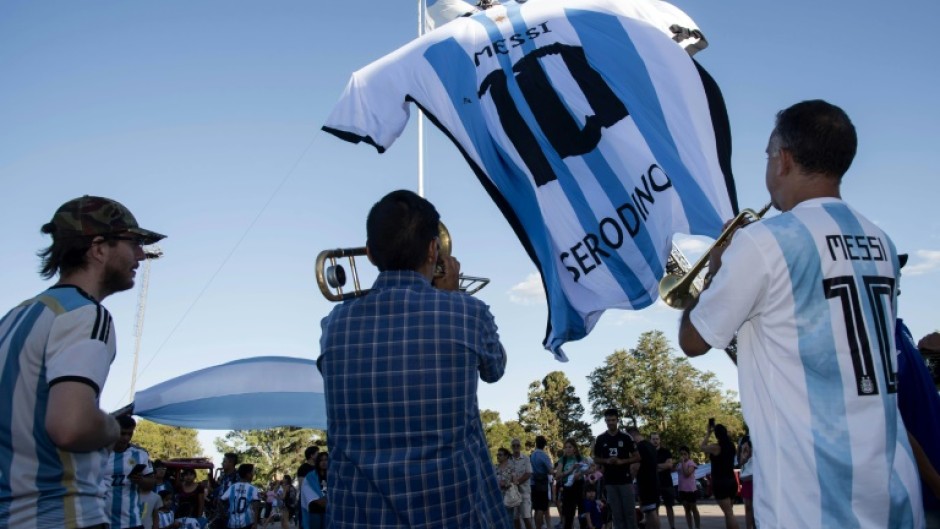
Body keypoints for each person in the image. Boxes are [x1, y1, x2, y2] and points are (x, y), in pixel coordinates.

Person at [678, 99, 923, 528]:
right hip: (891, 480)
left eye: (769, 156)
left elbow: (693, 340)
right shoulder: (881, 240)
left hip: (810, 490)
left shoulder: (764, 241)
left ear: (784, 160)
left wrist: (715, 273)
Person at [317, 189, 510, 528]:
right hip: (451, 515)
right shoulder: (468, 312)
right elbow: (495, 370)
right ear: (434, 249)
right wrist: (450, 297)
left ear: (370, 254)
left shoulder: (334, 324)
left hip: (358, 518)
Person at [0, 195, 164, 528]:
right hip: (65, 516)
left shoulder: (14, 318)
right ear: (99, 247)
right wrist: (109, 426)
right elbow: (70, 426)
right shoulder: (86, 315)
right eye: (134, 243)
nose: (140, 255)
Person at [897, 322, 940, 528]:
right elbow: (894, 424)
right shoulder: (877, 341)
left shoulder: (901, 330)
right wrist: (935, 482)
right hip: (926, 496)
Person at [104, 415, 156, 529]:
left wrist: (141, 480)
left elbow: (151, 484)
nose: (126, 438)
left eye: (130, 434)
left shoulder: (140, 454)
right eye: (122, 433)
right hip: (102, 522)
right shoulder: (99, 453)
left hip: (131, 522)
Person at [593, 408, 639, 529]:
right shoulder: (601, 438)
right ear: (605, 421)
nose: (611, 423)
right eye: (608, 420)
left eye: (613, 420)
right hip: (610, 482)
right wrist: (606, 461)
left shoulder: (626, 437)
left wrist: (622, 461)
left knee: (629, 513)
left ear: (617, 420)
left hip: (625, 480)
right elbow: (596, 459)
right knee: (616, 514)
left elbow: (637, 457)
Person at [700, 423, 738, 529]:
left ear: (716, 435)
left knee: (729, 513)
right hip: (731, 481)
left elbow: (702, 447)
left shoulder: (716, 447)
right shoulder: (731, 446)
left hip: (721, 483)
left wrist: (708, 433)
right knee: (729, 512)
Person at [627, 427, 660, 529]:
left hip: (646, 483)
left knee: (650, 512)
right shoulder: (650, 446)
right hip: (654, 481)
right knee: (651, 510)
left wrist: (629, 479)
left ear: (631, 435)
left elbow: (635, 467)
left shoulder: (639, 447)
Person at [555, 438, 590, 529]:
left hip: (580, 486)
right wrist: (570, 470)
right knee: (569, 515)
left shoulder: (580, 458)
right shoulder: (563, 459)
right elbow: (557, 476)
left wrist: (581, 473)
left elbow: (588, 470)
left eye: (570, 447)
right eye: (566, 447)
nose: (568, 449)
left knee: (582, 514)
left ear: (574, 448)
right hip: (568, 488)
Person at [220, 464, 261, 529]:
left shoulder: (232, 487)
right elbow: (256, 508)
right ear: (248, 474)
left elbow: (221, 500)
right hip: (247, 523)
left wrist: (224, 514)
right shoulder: (253, 489)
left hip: (232, 523)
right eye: (253, 472)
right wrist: (255, 523)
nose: (253, 474)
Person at [650, 433, 676, 529]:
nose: (655, 441)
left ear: (660, 440)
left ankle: (672, 527)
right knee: (655, 508)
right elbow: (647, 467)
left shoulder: (666, 452)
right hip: (653, 483)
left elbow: (669, 465)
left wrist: (655, 466)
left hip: (667, 483)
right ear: (650, 440)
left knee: (669, 506)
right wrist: (663, 466)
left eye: (657, 439)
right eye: (653, 439)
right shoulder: (648, 452)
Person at [529, 435, 554, 529]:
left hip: (533, 483)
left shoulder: (532, 455)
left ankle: (537, 526)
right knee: (541, 508)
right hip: (542, 483)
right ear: (544, 445)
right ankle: (539, 527)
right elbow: (550, 470)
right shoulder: (544, 456)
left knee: (536, 508)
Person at [509, 438, 534, 529]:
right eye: (514, 445)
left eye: (517, 445)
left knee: (526, 518)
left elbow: (528, 473)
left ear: (520, 446)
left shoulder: (526, 458)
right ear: (511, 447)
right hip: (512, 494)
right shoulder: (508, 459)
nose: (516, 447)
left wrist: (517, 482)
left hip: (524, 493)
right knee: (515, 519)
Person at [300, 452, 328, 529]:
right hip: (315, 509)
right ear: (317, 462)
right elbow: (306, 490)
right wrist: (318, 500)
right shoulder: (310, 476)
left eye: (326, 460)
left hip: (328, 509)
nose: (324, 462)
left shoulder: (332, 475)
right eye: (321, 460)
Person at [675, 447, 700, 529]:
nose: (683, 456)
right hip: (682, 489)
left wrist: (682, 463)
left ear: (688, 455)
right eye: (681, 454)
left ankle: (697, 527)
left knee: (694, 508)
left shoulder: (691, 463)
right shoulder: (678, 464)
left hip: (691, 490)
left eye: (685, 454)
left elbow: (687, 474)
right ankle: (690, 527)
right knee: (687, 510)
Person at [737, 437, 755, 529]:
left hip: (756, 479)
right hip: (746, 479)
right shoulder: (744, 442)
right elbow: (740, 463)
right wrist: (744, 452)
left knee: (756, 507)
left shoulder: (757, 442)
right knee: (747, 506)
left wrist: (751, 450)